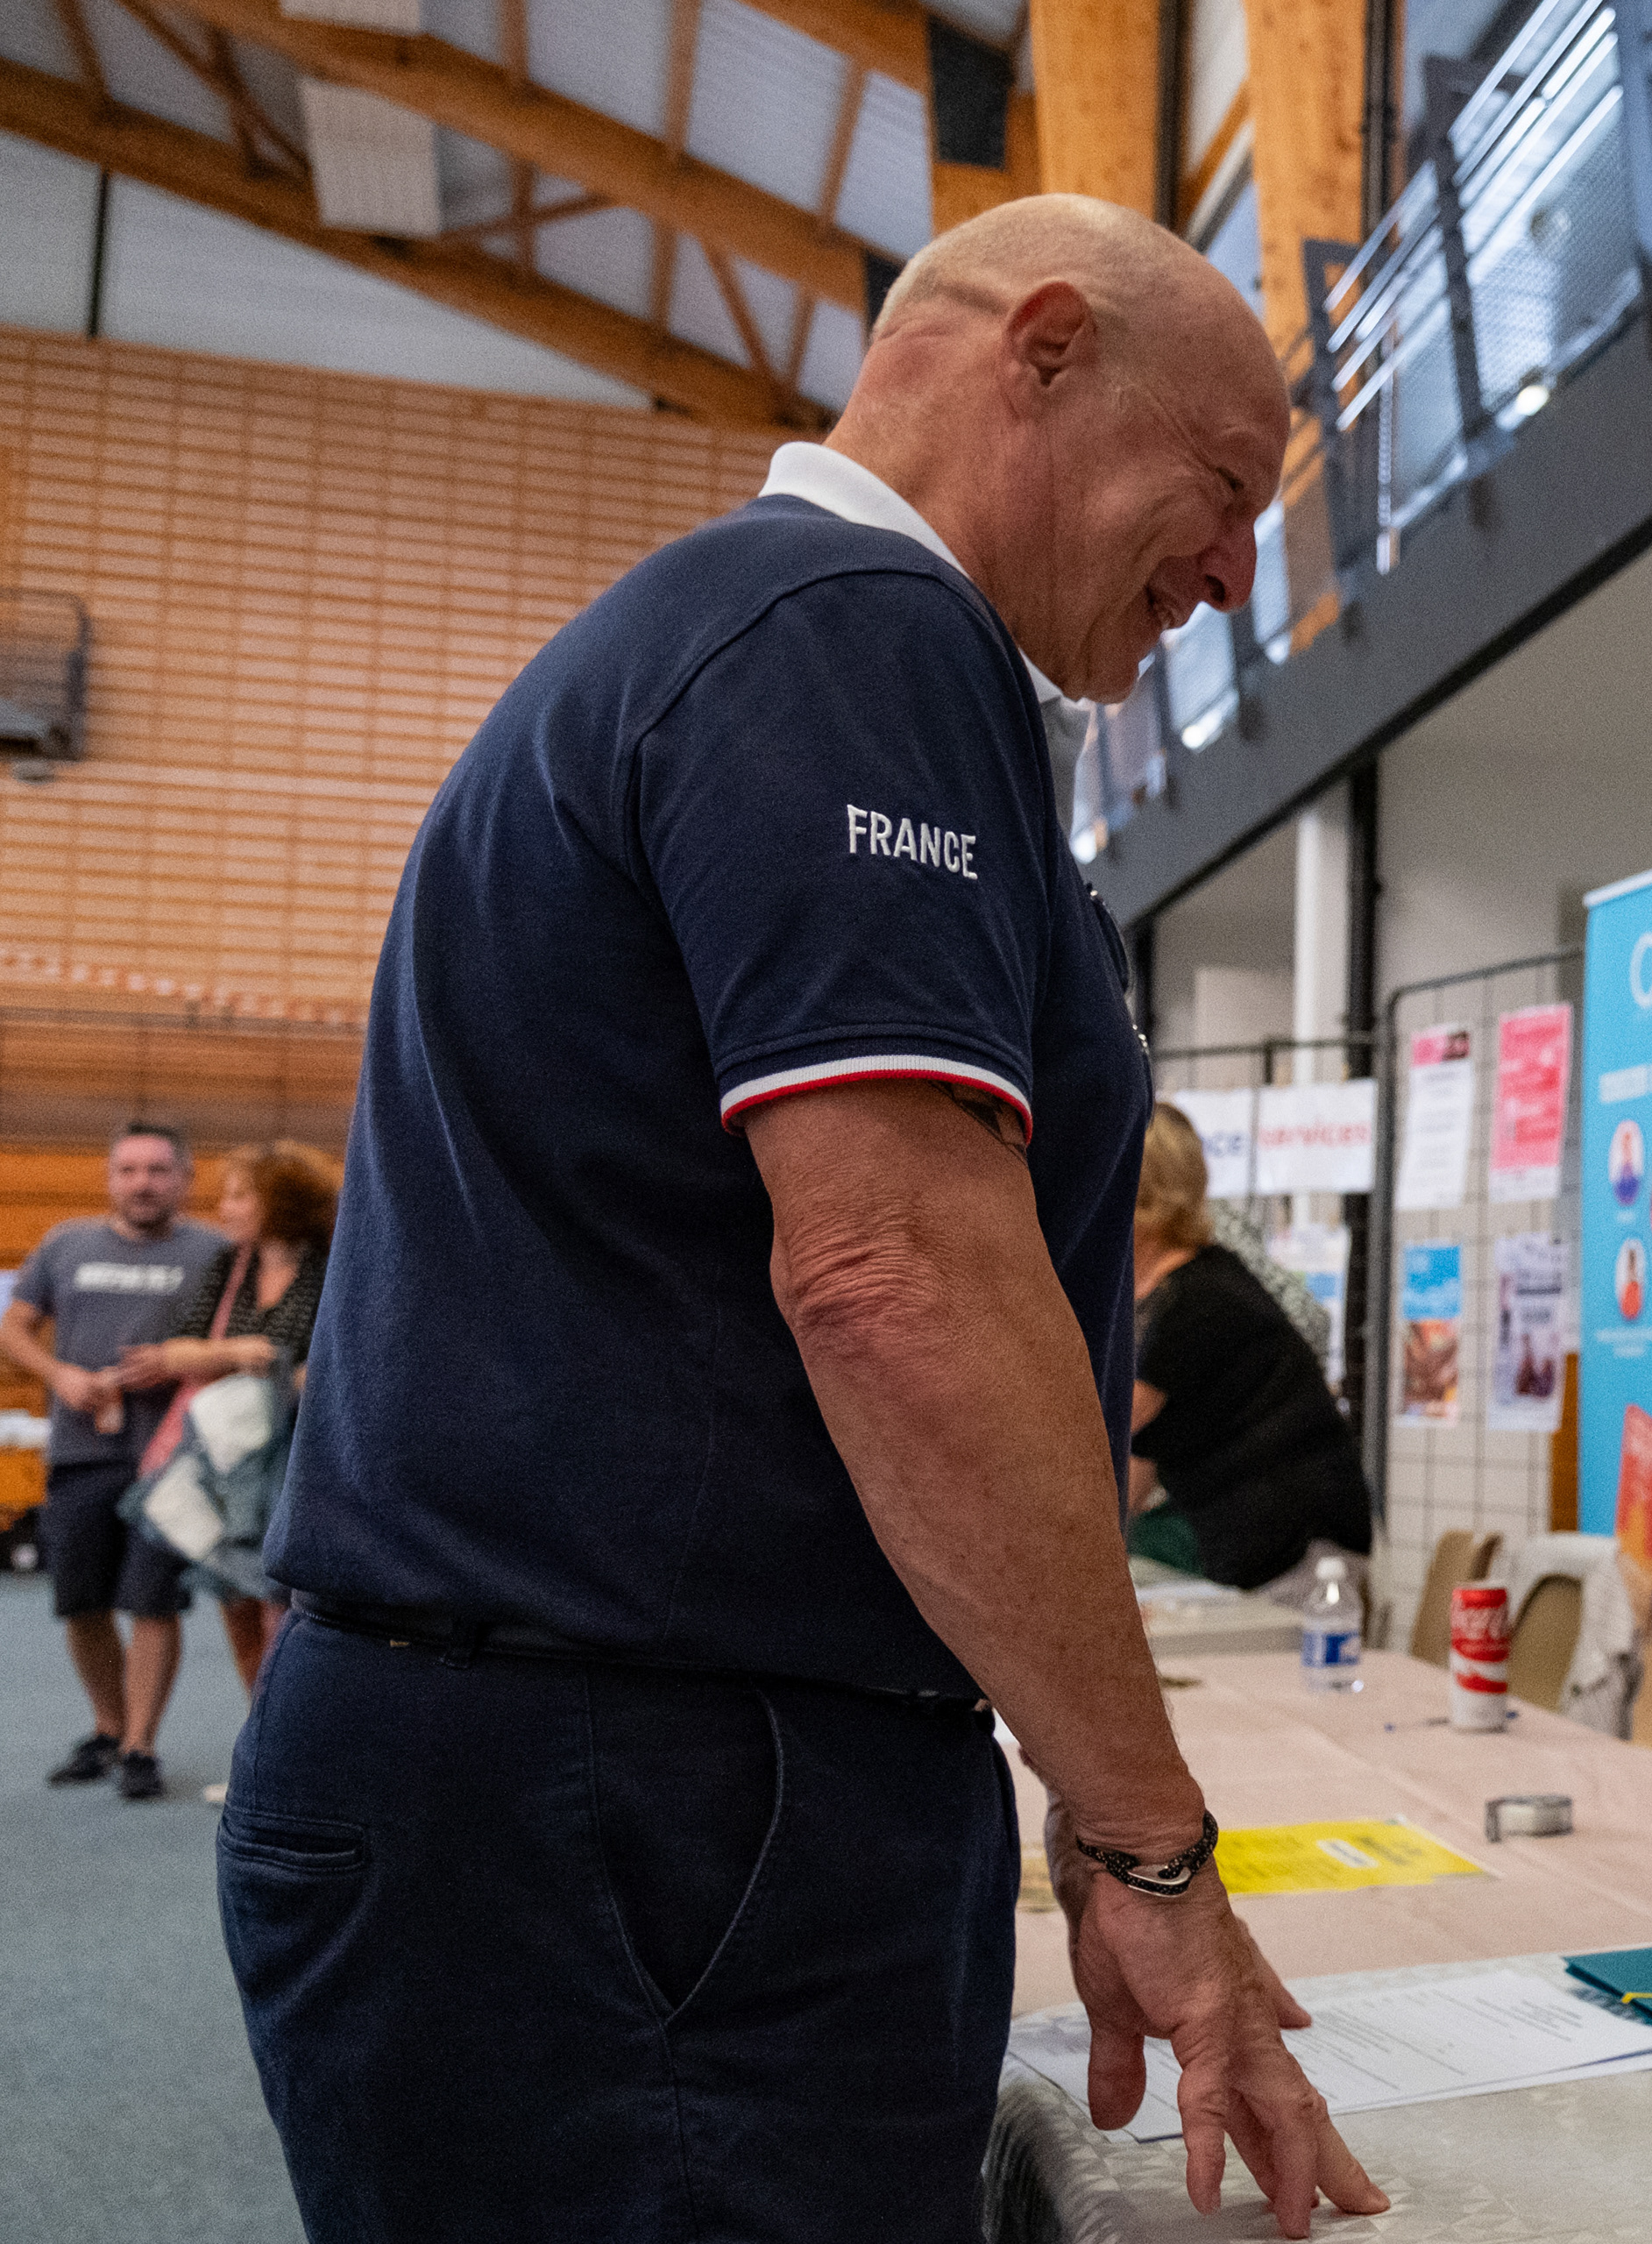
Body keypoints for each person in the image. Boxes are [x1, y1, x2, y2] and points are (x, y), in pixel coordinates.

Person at [225, 199, 1382, 2242]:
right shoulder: (848, 634)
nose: (1227, 575)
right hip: (640, 1801)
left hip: (615, 1780)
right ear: (1035, 351)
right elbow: (892, 1270)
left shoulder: (753, 643)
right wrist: (1147, 1840)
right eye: (1219, 492)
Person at [1, 1123, 227, 1803]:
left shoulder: (215, 1253)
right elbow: (14, 1327)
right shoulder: (66, 1243)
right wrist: (59, 1374)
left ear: (184, 1179)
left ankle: (140, 1745)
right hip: (79, 1453)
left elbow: (247, 1340)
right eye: (129, 1170)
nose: (143, 1183)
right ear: (109, 1178)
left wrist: (179, 1362)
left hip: (171, 1460)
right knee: (81, 1602)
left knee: (152, 1602)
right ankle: (107, 1726)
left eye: (159, 1170)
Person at [113, 1138, 339, 1698]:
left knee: (288, 1610)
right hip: (231, 1459)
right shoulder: (229, 1263)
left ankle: (293, 1746)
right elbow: (174, 1352)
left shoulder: (335, 1264)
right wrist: (241, 1355)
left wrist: (272, 1370)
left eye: (240, 1197)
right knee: (236, 1600)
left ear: (281, 1202)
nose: (225, 1210)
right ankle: (257, 1739)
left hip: (302, 1461)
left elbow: (337, 1367)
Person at [1126, 1103, 1372, 1594]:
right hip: (1261, 1546)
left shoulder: (1196, 1297)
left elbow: (1107, 1426)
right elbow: (1130, 1466)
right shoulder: (1176, 1291)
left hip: (1300, 1550)